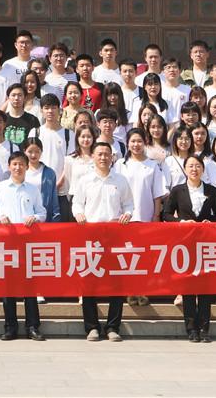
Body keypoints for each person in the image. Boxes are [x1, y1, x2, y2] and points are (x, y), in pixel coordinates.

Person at [72, 141, 134, 341]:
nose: (103, 157)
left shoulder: (120, 180)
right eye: (99, 154)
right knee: (89, 281)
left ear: (112, 157)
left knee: (116, 282)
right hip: (91, 236)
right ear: (93, 156)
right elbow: (77, 203)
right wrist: (79, 214)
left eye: (107, 154)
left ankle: (113, 327)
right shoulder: (85, 180)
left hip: (115, 236)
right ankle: (92, 327)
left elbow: (129, 204)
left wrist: (127, 214)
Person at [162, 154, 216, 341]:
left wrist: (210, 222)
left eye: (198, 166)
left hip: (206, 244)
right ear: (185, 169)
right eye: (190, 166)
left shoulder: (211, 190)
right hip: (185, 243)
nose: (194, 169)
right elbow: (166, 214)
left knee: (205, 287)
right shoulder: (178, 190)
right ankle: (191, 329)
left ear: (203, 169)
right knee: (188, 286)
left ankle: (205, 328)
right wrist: (181, 222)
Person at [0, 151, 48, 340]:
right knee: (8, 286)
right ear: (9, 166)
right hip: (6, 242)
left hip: (27, 242)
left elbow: (42, 212)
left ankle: (32, 326)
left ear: (26, 166)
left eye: (21, 164)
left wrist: (34, 217)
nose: (18, 167)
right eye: (14, 164)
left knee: (30, 285)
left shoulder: (32, 189)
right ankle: (10, 327)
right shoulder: (0, 188)